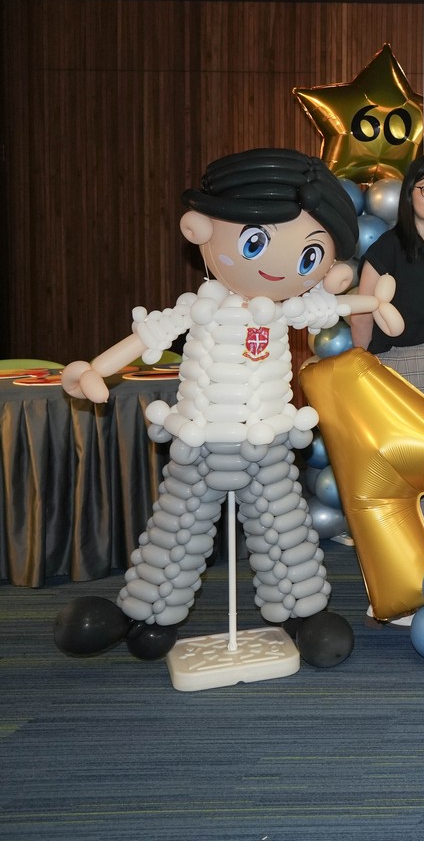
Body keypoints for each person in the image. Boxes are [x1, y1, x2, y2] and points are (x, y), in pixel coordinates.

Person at [56, 148, 400, 664]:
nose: (280, 267)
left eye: (309, 257)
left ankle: (303, 613)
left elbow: (335, 305)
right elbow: (148, 336)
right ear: (199, 228)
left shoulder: (286, 310)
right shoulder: (200, 308)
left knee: (284, 532)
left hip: (268, 442)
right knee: (176, 531)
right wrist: (95, 369)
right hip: (201, 441)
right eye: (255, 241)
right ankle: (144, 613)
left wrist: (375, 304)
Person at [352, 153, 424, 548]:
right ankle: (409, 551)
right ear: (410, 194)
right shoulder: (389, 247)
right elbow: (362, 311)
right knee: (408, 463)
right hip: (401, 366)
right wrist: (363, 370)